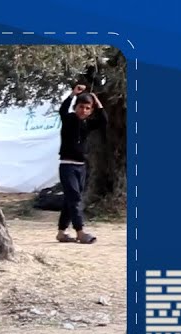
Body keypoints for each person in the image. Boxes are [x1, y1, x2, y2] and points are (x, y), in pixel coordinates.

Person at [56, 83, 108, 244]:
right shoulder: (69, 119)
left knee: (70, 199)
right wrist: (73, 94)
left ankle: (61, 232)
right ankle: (80, 232)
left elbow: (104, 120)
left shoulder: (88, 124)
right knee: (75, 198)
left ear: (91, 110)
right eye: (81, 107)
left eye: (87, 108)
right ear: (76, 107)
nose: (83, 110)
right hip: (67, 166)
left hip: (81, 167)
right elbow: (62, 110)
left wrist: (97, 101)